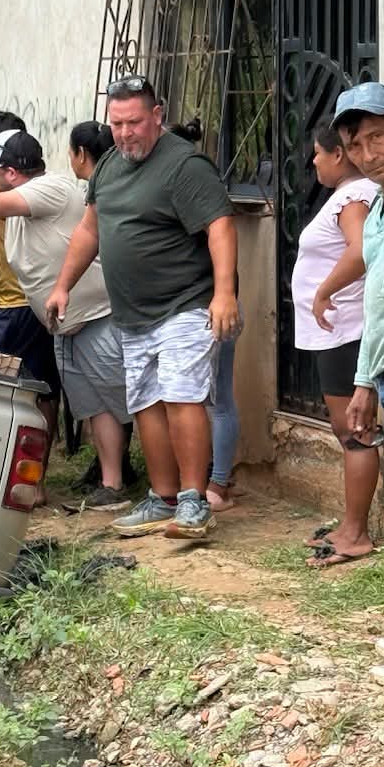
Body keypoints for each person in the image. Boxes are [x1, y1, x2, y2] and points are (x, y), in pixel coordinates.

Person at [46, 75, 239, 540]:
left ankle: (194, 502)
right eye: (116, 123)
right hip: (132, 314)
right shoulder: (109, 166)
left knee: (181, 395)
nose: (125, 132)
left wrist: (225, 293)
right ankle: (163, 497)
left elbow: (220, 227)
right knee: (147, 403)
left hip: (185, 304)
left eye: (134, 122)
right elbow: (90, 231)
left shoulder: (185, 165)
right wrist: (62, 286)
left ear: (157, 115)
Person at [0, 130, 132, 511]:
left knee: (124, 402)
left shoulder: (48, 189)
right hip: (66, 324)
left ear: (12, 172)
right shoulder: (20, 205)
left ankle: (168, 489)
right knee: (94, 407)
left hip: (95, 315)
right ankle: (112, 484)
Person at [324, 83, 384, 690]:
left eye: (377, 136)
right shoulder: (382, 208)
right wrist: (364, 382)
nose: (367, 152)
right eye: (355, 145)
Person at [290, 121, 379, 567]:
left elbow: (360, 250)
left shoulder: (353, 196)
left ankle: (357, 533)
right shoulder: (347, 196)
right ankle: (350, 524)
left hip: (345, 331)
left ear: (337, 155)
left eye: (318, 154)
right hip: (336, 333)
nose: (313, 162)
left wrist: (324, 291)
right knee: (348, 432)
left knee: (355, 433)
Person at [169, 119, 241, 512]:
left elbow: (221, 242)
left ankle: (219, 483)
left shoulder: (196, 186)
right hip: (199, 306)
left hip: (212, 305)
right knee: (206, 398)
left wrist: (224, 296)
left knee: (218, 398)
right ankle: (210, 478)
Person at [66, 120, 138, 493]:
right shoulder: (108, 190)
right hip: (94, 313)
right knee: (105, 400)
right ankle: (114, 475)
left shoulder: (88, 194)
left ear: (80, 154)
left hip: (108, 314)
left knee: (122, 397)